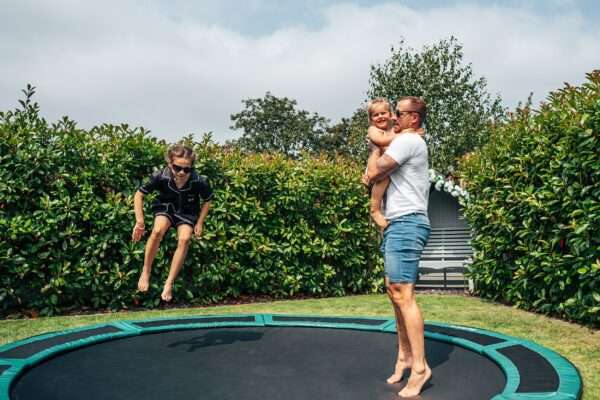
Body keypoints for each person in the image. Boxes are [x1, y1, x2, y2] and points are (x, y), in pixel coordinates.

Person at [364, 96, 432, 398]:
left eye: (399, 113)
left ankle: (420, 368)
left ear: (413, 118)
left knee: (403, 293)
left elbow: (377, 172)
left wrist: (371, 173)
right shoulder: (404, 139)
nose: (394, 118)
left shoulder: (408, 141)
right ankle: (404, 356)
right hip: (398, 222)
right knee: (393, 291)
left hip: (407, 222)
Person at [132, 144, 213, 302]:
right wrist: (140, 222)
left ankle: (169, 283)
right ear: (170, 164)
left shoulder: (199, 181)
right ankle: (146, 270)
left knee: (184, 239)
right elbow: (138, 195)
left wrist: (200, 222)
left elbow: (208, 200)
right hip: (166, 208)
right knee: (156, 231)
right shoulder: (161, 176)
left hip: (187, 212)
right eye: (177, 168)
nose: (182, 172)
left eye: (186, 169)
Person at [366, 98, 425, 230]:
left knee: (387, 182)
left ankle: (381, 211)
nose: (380, 117)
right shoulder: (373, 130)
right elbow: (380, 141)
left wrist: (407, 133)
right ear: (371, 119)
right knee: (381, 181)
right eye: (376, 115)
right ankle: (374, 209)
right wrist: (408, 133)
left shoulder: (395, 131)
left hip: (387, 168)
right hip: (378, 165)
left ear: (390, 114)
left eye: (383, 113)